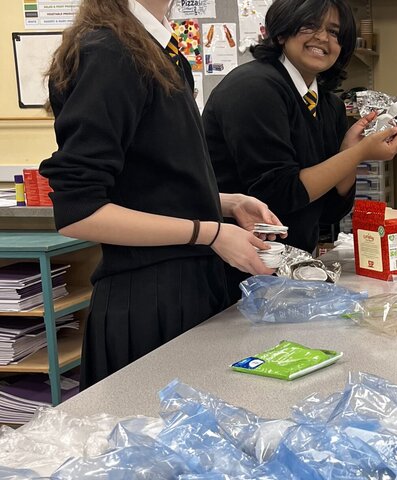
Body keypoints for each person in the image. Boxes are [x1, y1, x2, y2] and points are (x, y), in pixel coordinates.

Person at [40, 0, 282, 389]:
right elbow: (80, 211)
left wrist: (226, 202)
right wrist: (212, 232)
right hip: (148, 302)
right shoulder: (108, 51)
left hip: (188, 289)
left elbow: (145, 184)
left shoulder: (157, 49)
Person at [203, 0, 397, 301]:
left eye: (335, 32)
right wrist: (358, 153)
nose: (323, 38)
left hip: (288, 276)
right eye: (310, 25)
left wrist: (348, 152)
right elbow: (278, 195)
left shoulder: (329, 105)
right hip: (233, 275)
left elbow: (328, 212)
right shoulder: (254, 88)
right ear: (282, 32)